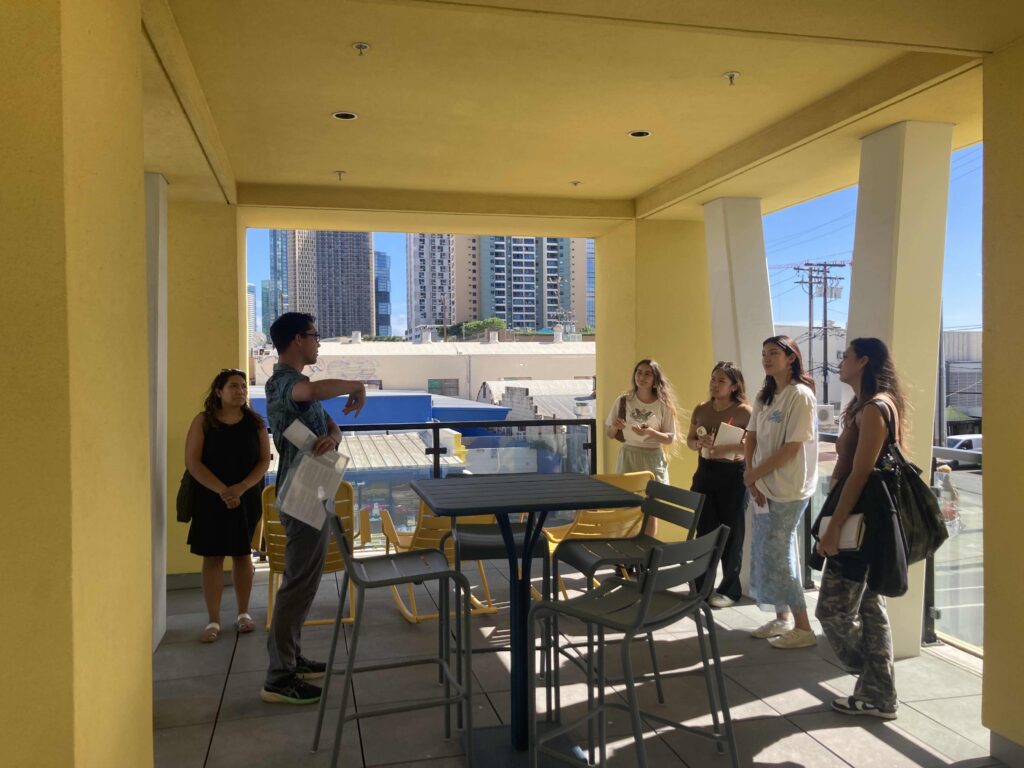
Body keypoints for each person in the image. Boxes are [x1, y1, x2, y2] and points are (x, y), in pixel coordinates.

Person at [261, 313, 366, 705]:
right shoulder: (283, 383)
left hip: (315, 485)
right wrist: (356, 384)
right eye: (314, 335)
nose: (318, 342)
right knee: (297, 584)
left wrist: (331, 440)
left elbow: (331, 426)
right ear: (296, 340)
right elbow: (315, 392)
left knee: (304, 582)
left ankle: (290, 657)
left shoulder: (299, 387)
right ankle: (279, 676)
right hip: (302, 489)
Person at [816, 338, 906, 719]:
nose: (840, 362)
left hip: (861, 525)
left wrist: (834, 527)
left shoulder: (875, 408)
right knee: (870, 607)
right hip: (865, 521)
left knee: (832, 611)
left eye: (846, 356)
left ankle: (874, 681)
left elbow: (861, 474)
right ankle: (879, 695)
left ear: (864, 361)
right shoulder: (864, 405)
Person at [743, 335, 818, 649]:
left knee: (780, 552)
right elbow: (751, 437)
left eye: (773, 352)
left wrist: (754, 475)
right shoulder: (765, 396)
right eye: (763, 353)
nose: (766, 358)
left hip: (788, 488)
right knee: (764, 551)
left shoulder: (800, 395)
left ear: (791, 358)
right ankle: (782, 616)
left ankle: (804, 627)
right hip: (761, 485)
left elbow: (791, 448)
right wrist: (751, 476)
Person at [185, 368, 271, 643]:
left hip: (245, 497)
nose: (240, 391)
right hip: (210, 498)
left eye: (243, 386)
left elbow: (264, 460)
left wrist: (241, 488)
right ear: (219, 391)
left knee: (242, 554)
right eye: (233, 386)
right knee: (212, 557)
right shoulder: (203, 421)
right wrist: (224, 491)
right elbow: (193, 462)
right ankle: (213, 620)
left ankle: (243, 613)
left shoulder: (255, 422)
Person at [686, 362, 752, 608]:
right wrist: (698, 443)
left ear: (734, 386)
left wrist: (726, 447)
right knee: (704, 531)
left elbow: (751, 447)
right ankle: (701, 587)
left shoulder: (745, 412)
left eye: (721, 381)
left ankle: (730, 590)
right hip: (705, 471)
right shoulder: (701, 408)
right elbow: (690, 440)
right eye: (713, 379)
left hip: (733, 475)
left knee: (732, 534)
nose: (714, 384)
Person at [605, 358, 679, 483]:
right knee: (628, 494)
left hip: (653, 458)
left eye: (647, 374)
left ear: (655, 379)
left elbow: (669, 438)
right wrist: (616, 426)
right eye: (639, 372)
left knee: (655, 494)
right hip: (629, 457)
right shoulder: (623, 400)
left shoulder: (663, 405)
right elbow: (610, 434)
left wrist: (650, 432)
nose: (642, 377)